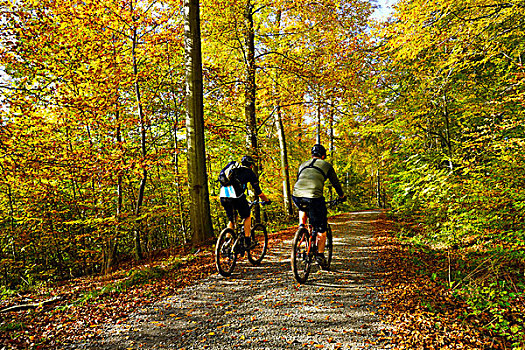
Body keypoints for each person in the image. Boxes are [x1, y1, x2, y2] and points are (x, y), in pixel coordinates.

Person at [292, 144, 346, 267]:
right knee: (321, 228)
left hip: (296, 195)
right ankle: (320, 255)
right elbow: (335, 184)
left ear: (312, 155)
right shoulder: (326, 165)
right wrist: (342, 196)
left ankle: (301, 227)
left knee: (302, 206)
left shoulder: (303, 165)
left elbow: (299, 180)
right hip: (314, 197)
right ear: (323, 156)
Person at [219, 155, 270, 251]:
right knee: (247, 216)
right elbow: (258, 192)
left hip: (223, 196)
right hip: (236, 197)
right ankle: (247, 240)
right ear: (251, 165)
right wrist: (266, 200)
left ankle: (227, 242)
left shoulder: (233, 168)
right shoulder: (249, 173)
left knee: (232, 220)